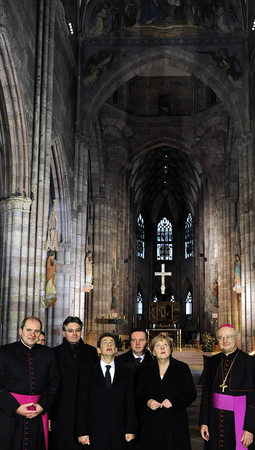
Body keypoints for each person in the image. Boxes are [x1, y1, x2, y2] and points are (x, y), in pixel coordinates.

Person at [0, 317, 59, 450]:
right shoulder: (4, 352)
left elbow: (54, 383)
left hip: (38, 413)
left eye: (36, 331)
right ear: (20, 331)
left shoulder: (48, 353)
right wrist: (15, 407)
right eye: (29, 330)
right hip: (10, 414)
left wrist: (43, 406)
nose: (32, 334)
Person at [136, 333, 196, 450]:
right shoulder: (144, 369)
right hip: (152, 422)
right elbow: (138, 394)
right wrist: (147, 402)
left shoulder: (182, 368)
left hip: (175, 421)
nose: (162, 348)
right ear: (153, 352)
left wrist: (174, 401)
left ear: (170, 349)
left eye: (165, 345)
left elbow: (191, 394)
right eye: (158, 346)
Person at [77, 332, 136, 449]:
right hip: (94, 430)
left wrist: (131, 429)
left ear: (115, 349)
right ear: (98, 350)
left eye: (111, 343)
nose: (109, 345)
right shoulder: (87, 371)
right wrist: (82, 431)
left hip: (119, 430)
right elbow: (82, 403)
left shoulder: (127, 371)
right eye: (105, 343)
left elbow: (130, 402)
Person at [200, 324, 255, 449]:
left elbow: (253, 399)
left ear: (237, 338)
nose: (225, 341)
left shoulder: (249, 362)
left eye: (228, 336)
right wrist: (204, 422)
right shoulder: (212, 362)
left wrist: (250, 428)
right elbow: (206, 395)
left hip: (239, 420)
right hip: (214, 420)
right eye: (221, 337)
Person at [49, 316, 98, 449]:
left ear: (81, 331)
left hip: (86, 409)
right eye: (70, 331)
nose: (74, 333)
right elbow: (51, 385)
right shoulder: (54, 353)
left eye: (77, 330)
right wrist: (49, 414)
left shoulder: (91, 352)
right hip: (61, 411)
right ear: (64, 333)